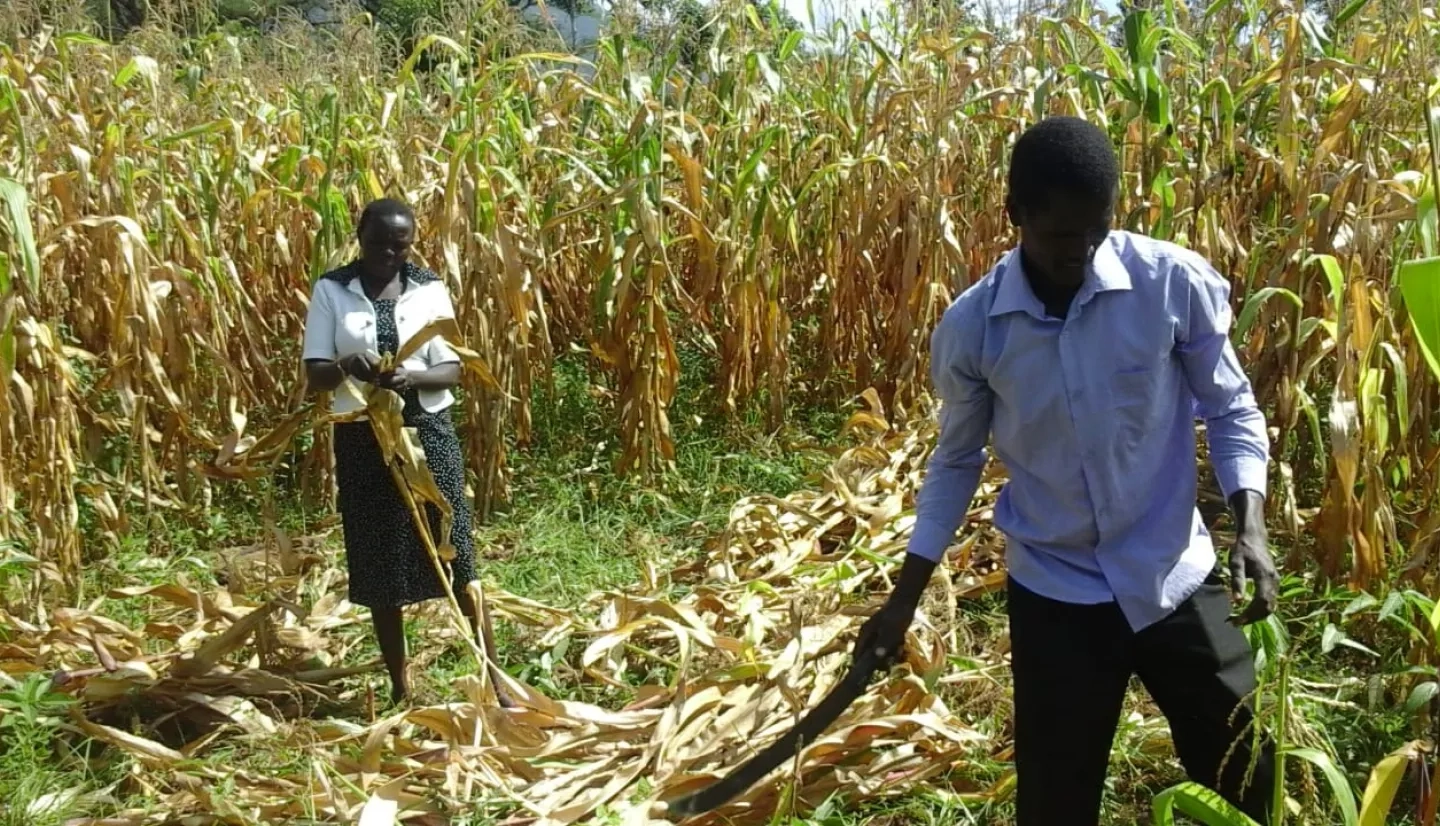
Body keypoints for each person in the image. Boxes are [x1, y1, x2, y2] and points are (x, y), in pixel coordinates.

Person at [855, 117, 1279, 824]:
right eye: (1059, 237)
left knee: (1247, 765)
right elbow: (955, 461)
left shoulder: (1170, 284)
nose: (1081, 253)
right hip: (1056, 589)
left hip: (1171, 570)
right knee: (1056, 797)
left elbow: (1231, 406)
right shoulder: (975, 328)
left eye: (1097, 231)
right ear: (1014, 215)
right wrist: (904, 597)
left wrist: (1252, 526)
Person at [301, 198, 512, 708]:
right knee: (378, 566)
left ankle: (495, 678)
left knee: (455, 546)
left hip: (426, 430)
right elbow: (316, 373)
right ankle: (400, 686)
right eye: (379, 244)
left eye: (400, 246)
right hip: (362, 436)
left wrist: (410, 377)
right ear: (360, 236)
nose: (389, 255)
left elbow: (454, 369)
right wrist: (350, 363)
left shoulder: (429, 289)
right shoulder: (332, 289)